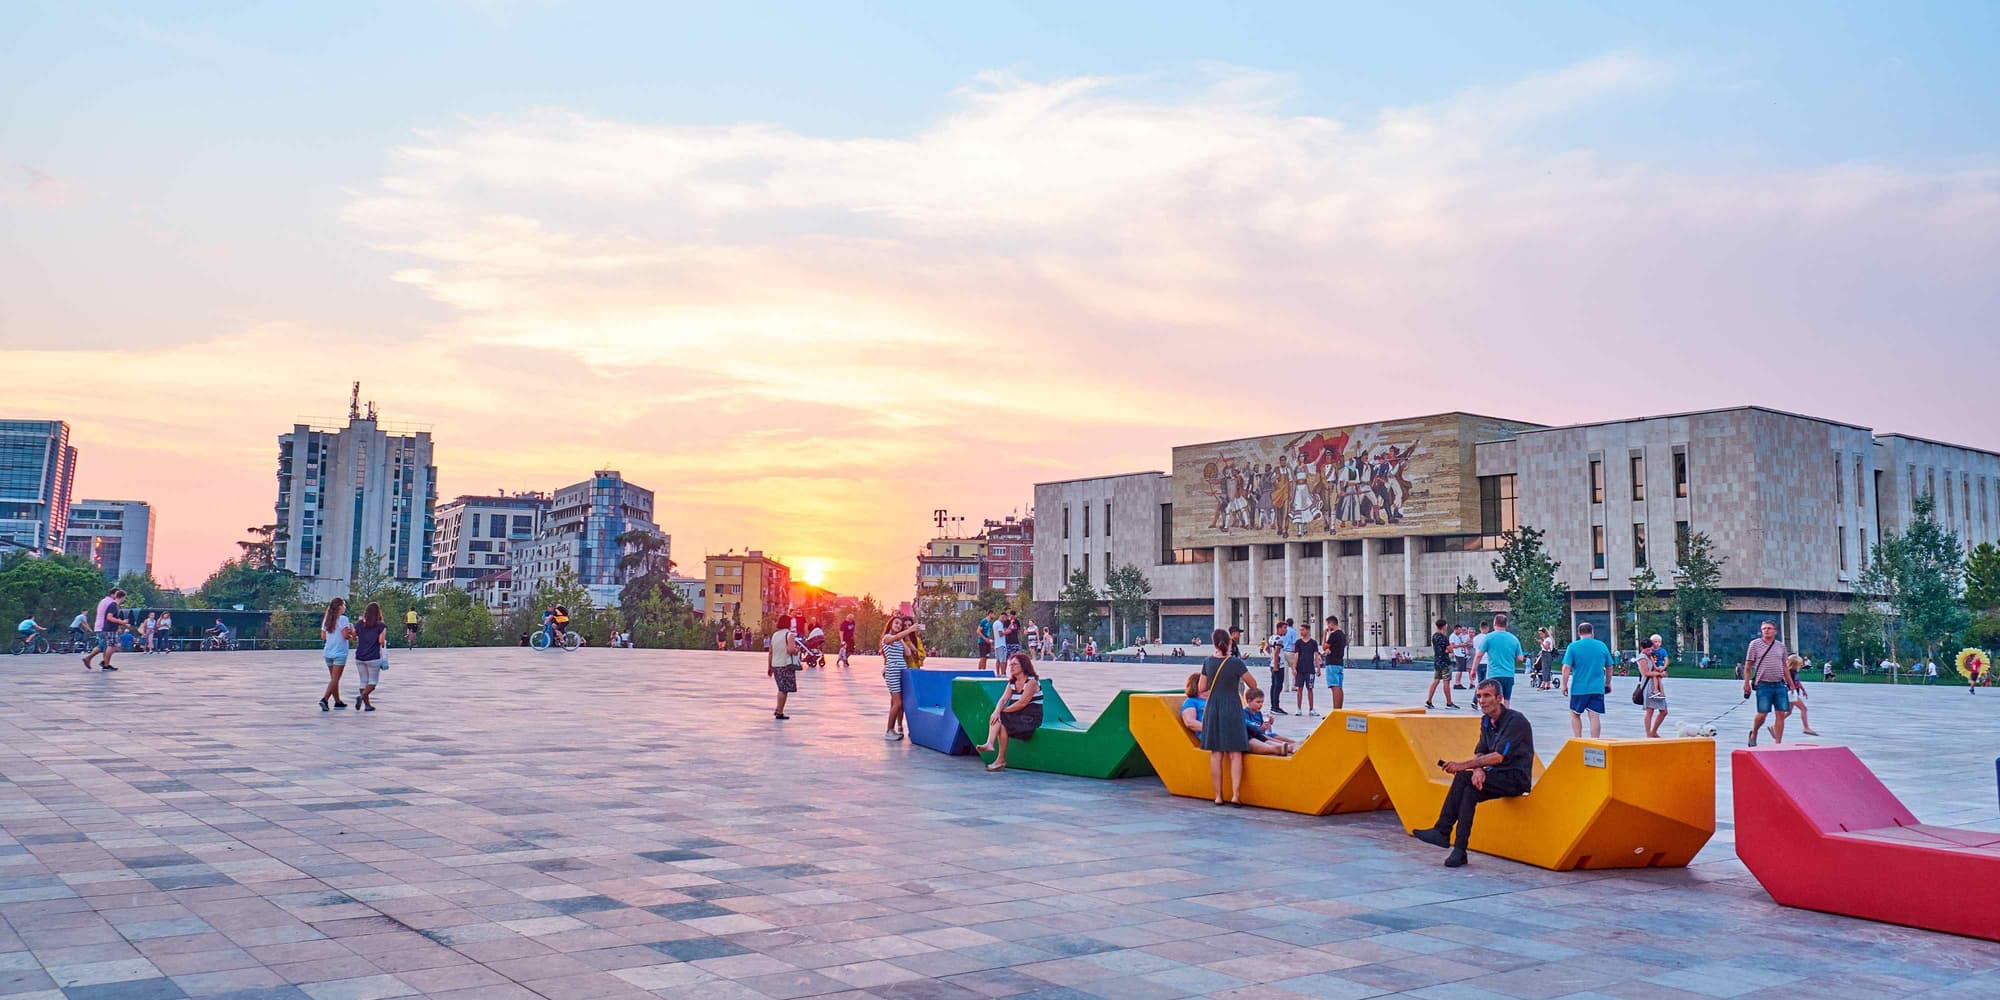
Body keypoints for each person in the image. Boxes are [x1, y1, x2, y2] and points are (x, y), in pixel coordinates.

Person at [1409, 678, 1534, 868]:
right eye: (1479, 696)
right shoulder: (1485, 721)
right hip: (1494, 776)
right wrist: (1477, 769)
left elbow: (1499, 756)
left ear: (1499, 698)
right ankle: (1459, 851)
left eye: (1487, 696)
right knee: (1469, 792)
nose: (1482, 701)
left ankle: (1442, 830)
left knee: (1462, 776)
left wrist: (1463, 766)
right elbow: (1480, 750)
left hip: (1515, 778)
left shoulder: (1516, 721)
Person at [1199, 627, 1254, 806]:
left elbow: (1201, 688)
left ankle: (1218, 796)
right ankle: (1236, 795)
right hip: (1232, 706)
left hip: (1214, 707)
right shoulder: (1236, 663)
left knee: (1216, 753)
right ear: (1230, 642)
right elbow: (1253, 684)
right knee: (1235, 753)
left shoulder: (1208, 662)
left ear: (1214, 642)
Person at [975, 652, 1043, 772]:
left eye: (1015, 664)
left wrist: (1002, 712)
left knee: (1001, 718)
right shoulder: (1012, 682)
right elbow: (1003, 699)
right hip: (1017, 716)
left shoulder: (1031, 682)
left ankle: (996, 754)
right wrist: (997, 711)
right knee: (1000, 722)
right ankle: (995, 752)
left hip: (1030, 718)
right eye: (1010, 665)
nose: (1011, 667)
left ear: (1023, 666)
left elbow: (1022, 703)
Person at [1560, 621, 1614, 738]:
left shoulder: (1573, 647)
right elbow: (1609, 666)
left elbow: (1566, 667)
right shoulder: (1602, 646)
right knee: (1594, 715)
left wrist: (1564, 685)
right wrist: (1607, 683)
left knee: (1575, 714)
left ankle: (1578, 739)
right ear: (1592, 632)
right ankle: (1595, 742)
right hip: (1597, 688)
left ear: (1579, 633)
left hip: (1579, 688)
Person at [1742, 621, 1792, 746]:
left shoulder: (1781, 646)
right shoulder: (1755, 644)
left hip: (1780, 684)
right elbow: (1748, 666)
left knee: (1781, 713)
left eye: (1769, 628)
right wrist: (1746, 683)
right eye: (1764, 628)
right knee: (1762, 713)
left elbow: (1785, 666)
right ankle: (1754, 733)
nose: (1766, 630)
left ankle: (1778, 743)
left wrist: (1791, 683)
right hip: (1763, 684)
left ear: (1775, 631)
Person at [879, 615, 923, 740]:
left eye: (899, 624)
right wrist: (908, 631)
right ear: (890, 625)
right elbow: (894, 638)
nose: (898, 626)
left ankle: (892, 729)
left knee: (897, 702)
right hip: (893, 672)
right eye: (896, 623)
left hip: (900, 672)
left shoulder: (898, 639)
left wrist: (903, 638)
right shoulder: (887, 637)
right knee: (897, 703)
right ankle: (889, 730)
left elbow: (908, 653)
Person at [319, 598, 355, 711]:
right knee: (335, 679)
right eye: (344, 605)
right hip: (339, 652)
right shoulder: (343, 619)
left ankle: (337, 701)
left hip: (328, 652)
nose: (345, 607)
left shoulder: (327, 620)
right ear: (339, 607)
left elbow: (323, 636)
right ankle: (324, 699)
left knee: (333, 679)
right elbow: (345, 635)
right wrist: (352, 635)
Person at [81, 587, 128, 671]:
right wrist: (120, 623)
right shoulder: (111, 603)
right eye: (117, 593)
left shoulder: (104, 601)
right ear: (113, 594)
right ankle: (104, 663)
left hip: (101, 626)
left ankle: (99, 661)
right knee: (108, 646)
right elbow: (109, 617)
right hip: (104, 627)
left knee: (103, 645)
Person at [352, 602, 388, 711]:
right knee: (372, 682)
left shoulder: (359, 624)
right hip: (373, 657)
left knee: (363, 681)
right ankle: (362, 697)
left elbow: (353, 635)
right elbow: (381, 641)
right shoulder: (381, 626)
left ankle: (367, 705)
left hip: (360, 656)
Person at [1481, 613, 1523, 702]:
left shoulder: (1489, 637)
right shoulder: (1514, 639)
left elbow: (1479, 655)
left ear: (1494, 623)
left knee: (1493, 700)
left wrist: (1473, 669)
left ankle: (1494, 715)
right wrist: (1511, 658)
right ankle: (1506, 716)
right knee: (1506, 700)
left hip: (1493, 675)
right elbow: (1520, 658)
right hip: (1508, 674)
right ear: (1506, 625)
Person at [1242, 689, 1296, 756]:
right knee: (1267, 737)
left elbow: (1264, 730)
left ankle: (1292, 743)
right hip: (1253, 735)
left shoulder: (1258, 713)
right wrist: (1260, 728)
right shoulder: (1244, 712)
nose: (1260, 705)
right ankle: (1285, 745)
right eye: (1258, 702)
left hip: (1259, 734)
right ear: (1249, 701)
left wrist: (1269, 724)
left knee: (1273, 735)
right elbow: (1250, 726)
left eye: (1262, 702)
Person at [768, 616, 801, 720]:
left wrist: (769, 667)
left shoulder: (775, 635)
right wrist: (797, 650)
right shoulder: (789, 634)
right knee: (783, 690)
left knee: (781, 688)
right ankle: (780, 712)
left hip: (775, 664)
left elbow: (770, 652)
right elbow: (790, 650)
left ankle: (778, 709)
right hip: (785, 665)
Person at [1638, 636, 1669, 738]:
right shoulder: (1642, 657)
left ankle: (1654, 731)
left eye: (1651, 649)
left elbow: (1657, 667)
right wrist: (1659, 674)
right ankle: (1649, 734)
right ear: (1642, 648)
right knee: (1650, 710)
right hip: (1648, 686)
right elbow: (1646, 673)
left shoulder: (1650, 655)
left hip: (1656, 684)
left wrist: (1661, 671)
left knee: (1664, 711)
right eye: (1648, 649)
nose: (1650, 651)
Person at [1426, 619, 1460, 709]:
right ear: (1444, 626)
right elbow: (1450, 649)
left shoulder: (1434, 636)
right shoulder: (1444, 637)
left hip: (1437, 661)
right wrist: (1449, 648)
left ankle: (1429, 701)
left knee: (1436, 680)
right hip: (1445, 662)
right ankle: (1449, 702)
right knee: (1446, 682)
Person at [1292, 623, 1319, 716]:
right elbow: (1296, 655)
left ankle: (1311, 709)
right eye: (1300, 630)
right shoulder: (1298, 643)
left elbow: (1316, 655)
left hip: (1310, 669)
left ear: (1308, 630)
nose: (1301, 632)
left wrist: (1318, 668)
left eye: (1302, 630)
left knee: (1310, 688)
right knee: (1299, 689)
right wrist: (1294, 667)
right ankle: (1298, 708)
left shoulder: (1313, 643)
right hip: (1300, 669)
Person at [1323, 615, 1348, 711]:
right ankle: (1339, 710)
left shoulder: (1334, 635)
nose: (1327, 627)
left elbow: (1324, 646)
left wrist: (1325, 635)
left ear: (1331, 624)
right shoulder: (1342, 635)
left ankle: (1335, 710)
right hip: (1339, 662)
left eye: (1328, 624)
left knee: (1334, 687)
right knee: (1339, 687)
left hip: (1332, 662)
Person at [1471, 620, 1493, 684]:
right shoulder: (1490, 637)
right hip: (1488, 662)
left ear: (1480, 628)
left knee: (1480, 682)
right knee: (1488, 682)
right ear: (1488, 628)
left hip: (1479, 662)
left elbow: (1476, 650)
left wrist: (1473, 667)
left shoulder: (1475, 638)